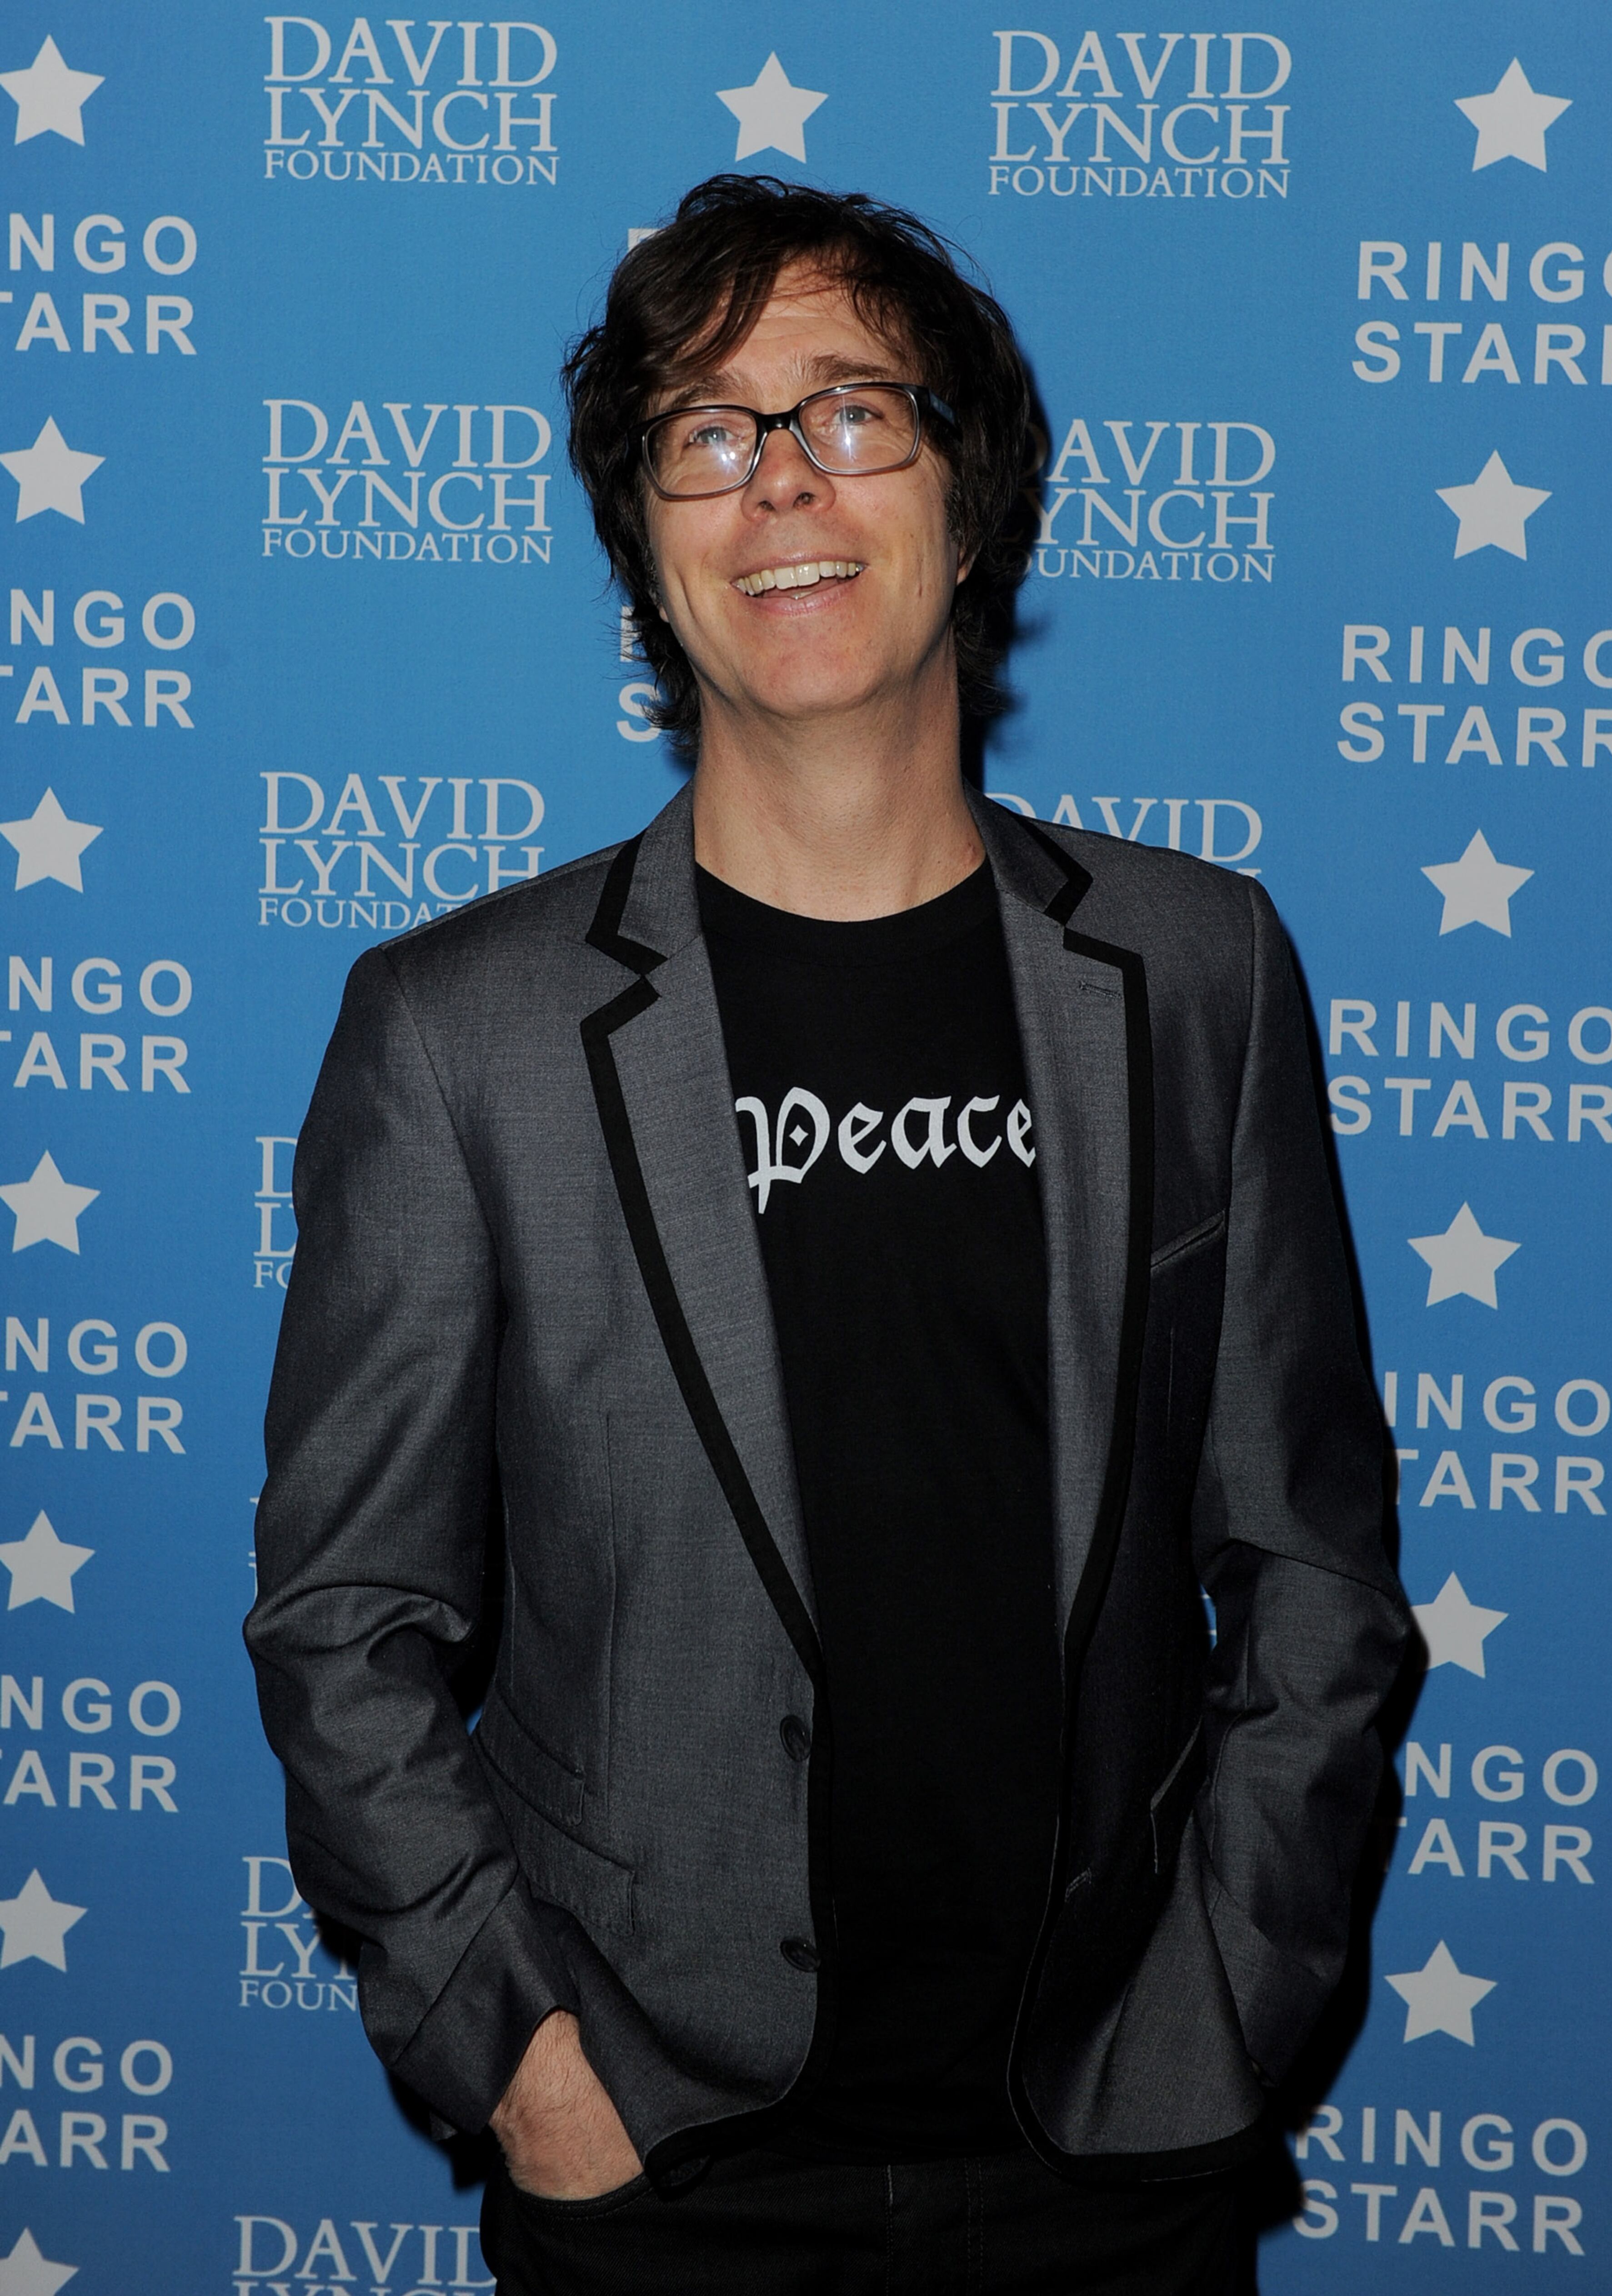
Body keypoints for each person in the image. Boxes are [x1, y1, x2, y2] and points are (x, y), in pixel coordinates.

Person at [245, 174, 1410, 2295]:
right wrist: (527, 2068)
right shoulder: (458, 1035)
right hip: (666, 2175)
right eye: (706, 432)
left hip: (1113, 2158)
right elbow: (345, 1623)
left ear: (970, 507)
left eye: (853, 410)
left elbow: (1316, 1567)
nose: (779, 476)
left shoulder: (1200, 970)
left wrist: (1232, 1994)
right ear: (653, 559)